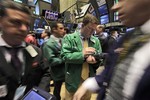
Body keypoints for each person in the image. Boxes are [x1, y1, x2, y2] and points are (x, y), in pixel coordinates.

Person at [73, 0, 150, 100]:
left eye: (123, 0)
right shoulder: (127, 38)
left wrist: (95, 58)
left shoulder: (98, 40)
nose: (115, 7)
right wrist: (91, 83)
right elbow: (111, 68)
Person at [0, 1, 50, 100]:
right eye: (16, 22)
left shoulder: (35, 51)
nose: (24, 29)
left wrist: (39, 95)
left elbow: (46, 72)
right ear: (1, 22)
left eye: (26, 24)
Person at [61, 14, 102, 100]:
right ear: (82, 25)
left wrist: (95, 61)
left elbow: (99, 57)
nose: (92, 33)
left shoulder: (96, 41)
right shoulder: (69, 38)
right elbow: (64, 56)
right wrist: (82, 55)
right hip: (74, 79)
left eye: (94, 30)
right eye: (90, 29)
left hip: (88, 79)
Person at [42, 21, 65, 100]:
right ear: (54, 29)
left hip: (66, 70)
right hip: (57, 72)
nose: (63, 30)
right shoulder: (48, 44)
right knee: (57, 91)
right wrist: (66, 58)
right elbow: (51, 61)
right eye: (61, 28)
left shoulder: (63, 40)